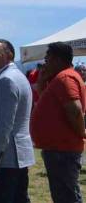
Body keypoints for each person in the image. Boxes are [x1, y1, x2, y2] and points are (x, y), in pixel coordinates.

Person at [31, 41, 86, 203]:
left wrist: (81, 132)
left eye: (48, 59)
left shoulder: (65, 78)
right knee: (63, 194)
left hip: (63, 150)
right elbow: (46, 102)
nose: (45, 63)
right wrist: (41, 82)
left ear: (57, 59)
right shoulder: (59, 79)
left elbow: (75, 110)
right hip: (58, 149)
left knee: (66, 196)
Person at [0, 39, 34, 203]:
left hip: (5, 160)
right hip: (17, 156)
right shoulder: (18, 76)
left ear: (9, 55)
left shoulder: (6, 80)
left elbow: (3, 125)